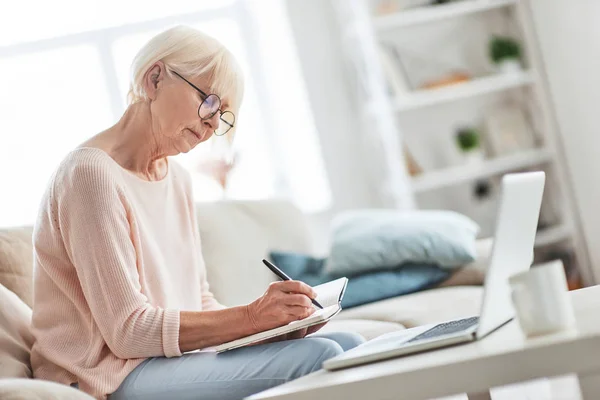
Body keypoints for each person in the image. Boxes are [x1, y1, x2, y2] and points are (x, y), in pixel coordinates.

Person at [30, 25, 364, 400]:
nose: (211, 124)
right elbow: (127, 332)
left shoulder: (178, 180)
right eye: (208, 101)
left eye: (221, 116)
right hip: (105, 377)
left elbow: (198, 301)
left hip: (166, 361)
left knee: (351, 343)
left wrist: (268, 329)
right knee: (322, 356)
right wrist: (251, 317)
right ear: (154, 78)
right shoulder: (90, 174)